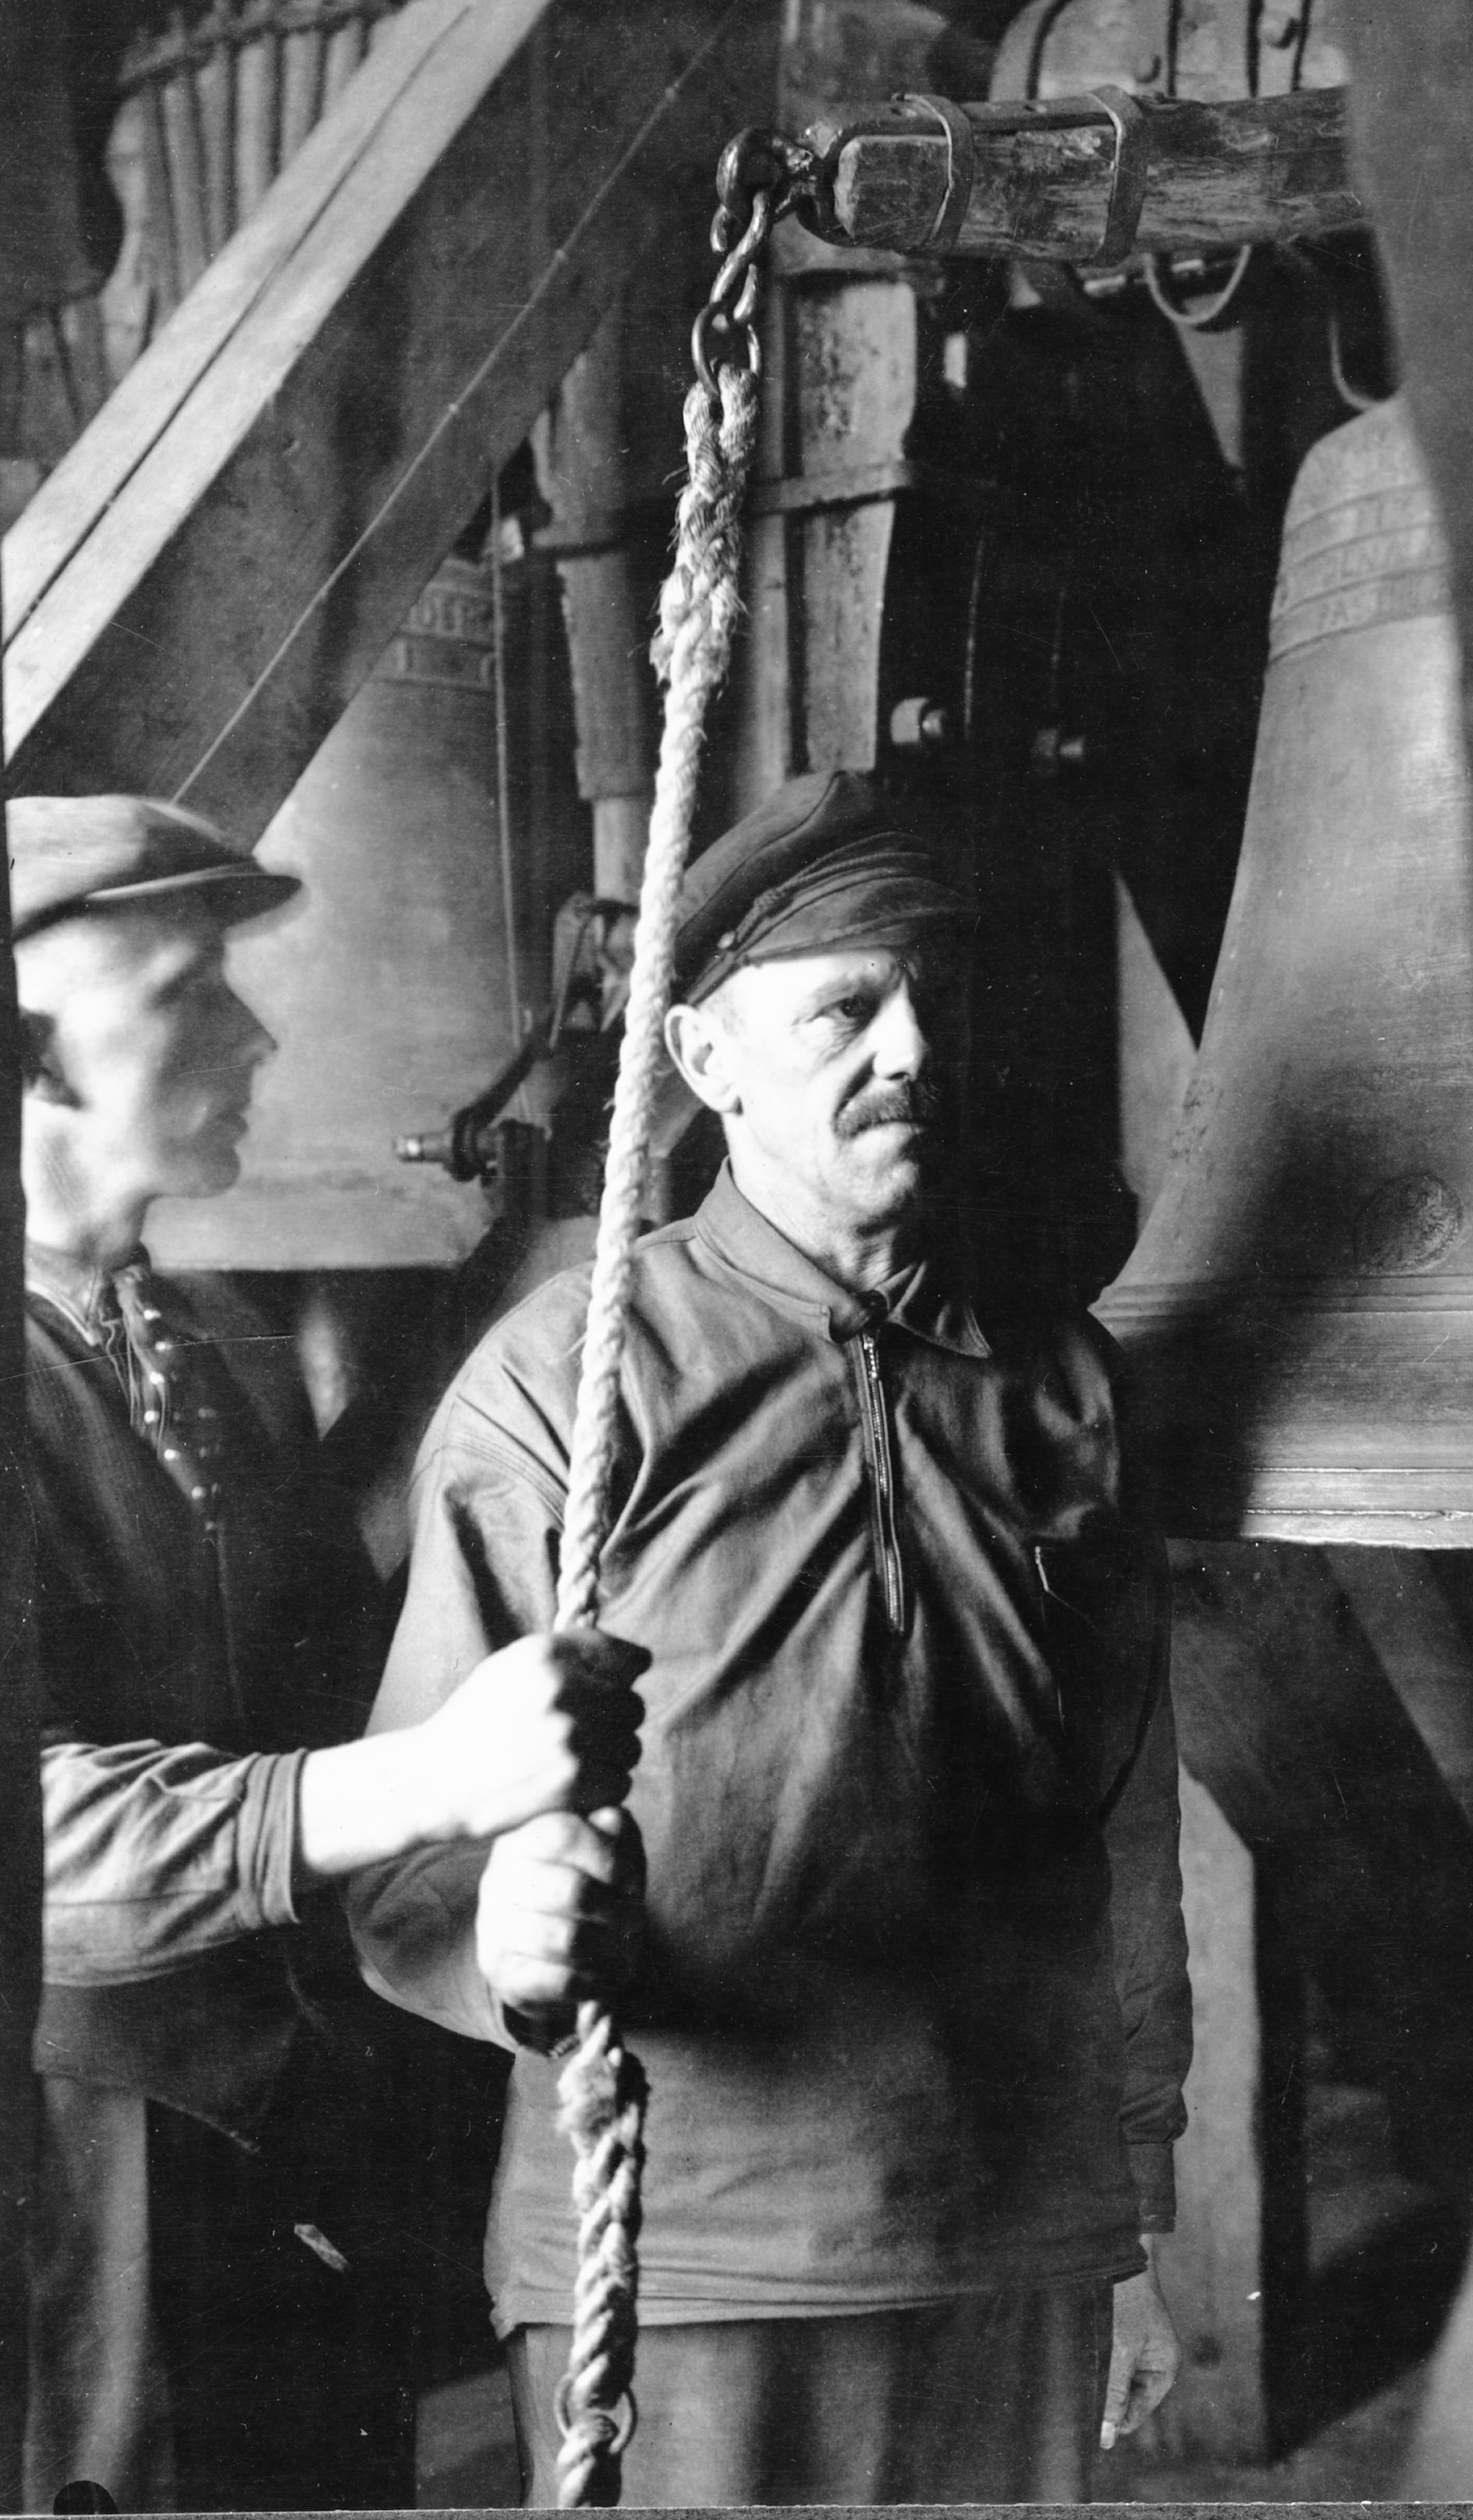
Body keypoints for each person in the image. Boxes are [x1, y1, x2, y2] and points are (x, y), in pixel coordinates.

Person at [349, 769, 1192, 2506]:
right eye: (845, 1009)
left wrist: (1137, 2212)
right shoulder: (568, 1386)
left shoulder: (1059, 1384)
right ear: (707, 1058)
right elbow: (405, 1857)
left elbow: (1123, 1828)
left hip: (1013, 2236)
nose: (913, 1050)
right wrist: (509, 1945)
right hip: (687, 2254)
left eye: (935, 1000)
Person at [10, 795, 646, 2513]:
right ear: (29, 1054)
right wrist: (428, 1779)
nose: (256, 1035)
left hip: (270, 2162)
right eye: (187, 992)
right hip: (71, 2207)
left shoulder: (198, 1341)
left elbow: (312, 1639)